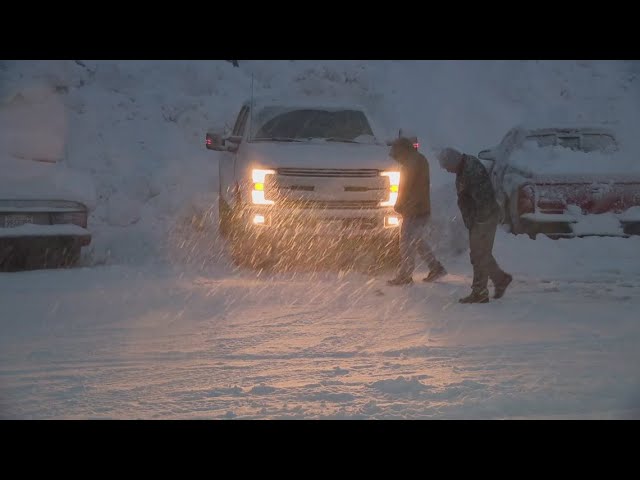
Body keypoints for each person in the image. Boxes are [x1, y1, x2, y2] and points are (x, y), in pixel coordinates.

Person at [437, 147, 513, 303]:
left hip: (484, 217)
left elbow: (483, 199)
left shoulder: (472, 170)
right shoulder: (463, 167)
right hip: (479, 217)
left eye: (447, 167)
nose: (447, 171)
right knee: (480, 253)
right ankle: (500, 279)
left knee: (479, 254)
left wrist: (479, 222)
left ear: (453, 162)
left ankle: (480, 292)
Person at [387, 137, 447, 286]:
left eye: (396, 153)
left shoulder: (410, 163)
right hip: (421, 208)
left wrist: (399, 205)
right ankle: (436, 267)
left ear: (402, 150)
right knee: (417, 240)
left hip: (414, 209)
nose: (395, 157)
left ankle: (405, 276)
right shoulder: (418, 159)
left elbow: (405, 188)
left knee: (406, 243)